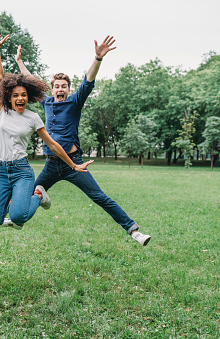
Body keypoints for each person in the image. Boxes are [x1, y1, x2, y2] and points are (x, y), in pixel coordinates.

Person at [15, 35, 152, 246]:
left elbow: (88, 81)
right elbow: (32, 82)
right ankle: (22, 212)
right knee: (28, 194)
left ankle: (133, 230)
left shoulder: (75, 102)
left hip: (74, 164)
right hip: (51, 165)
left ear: (69, 90)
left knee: (100, 197)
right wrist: (19, 62)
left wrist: (97, 58)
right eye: (57, 86)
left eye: (64, 86)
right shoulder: (47, 103)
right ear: (52, 89)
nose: (60, 89)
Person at [0, 35, 92, 230]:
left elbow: (52, 144)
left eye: (24, 95)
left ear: (29, 97)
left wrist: (73, 164)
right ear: (8, 97)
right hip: (1, 171)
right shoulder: (2, 109)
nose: (20, 98)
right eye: (16, 95)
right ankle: (22, 201)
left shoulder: (32, 118)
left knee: (19, 216)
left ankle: (39, 195)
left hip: (21, 171)